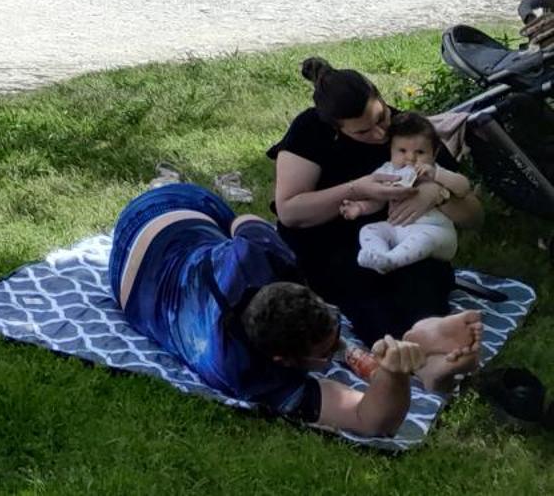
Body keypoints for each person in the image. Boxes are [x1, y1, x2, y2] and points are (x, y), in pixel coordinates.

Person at [111, 182, 478, 434]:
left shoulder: (259, 255)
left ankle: (422, 343)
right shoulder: (245, 372)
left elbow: (245, 222)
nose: (336, 350)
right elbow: (372, 420)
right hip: (159, 228)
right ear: (282, 361)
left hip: (171, 225)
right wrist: (394, 376)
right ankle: (421, 355)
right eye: (324, 354)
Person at [268, 57, 483, 353]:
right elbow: (290, 212)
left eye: (381, 118)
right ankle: (406, 350)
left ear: (380, 97)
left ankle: (429, 342)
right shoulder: (311, 131)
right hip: (331, 242)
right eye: (362, 132)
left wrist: (435, 194)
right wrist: (357, 189)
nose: (380, 134)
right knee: (370, 296)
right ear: (335, 127)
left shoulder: (409, 133)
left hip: (401, 240)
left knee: (423, 284)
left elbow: (474, 216)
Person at [339, 114, 465, 274]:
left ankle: (392, 260)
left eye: (420, 152)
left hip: (436, 232)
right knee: (369, 229)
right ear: (390, 150)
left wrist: (436, 176)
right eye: (402, 151)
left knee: (422, 239)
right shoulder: (387, 172)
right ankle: (379, 256)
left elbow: (463, 187)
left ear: (434, 153)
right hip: (398, 230)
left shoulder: (435, 170)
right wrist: (360, 207)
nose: (410, 158)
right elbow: (378, 201)